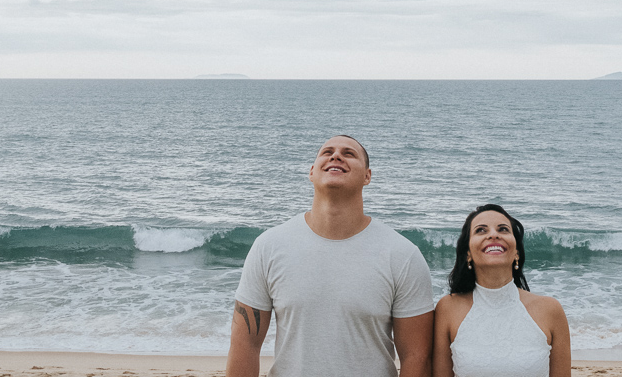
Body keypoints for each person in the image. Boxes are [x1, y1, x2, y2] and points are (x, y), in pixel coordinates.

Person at [225, 134, 435, 377]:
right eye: (327, 152)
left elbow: (416, 357)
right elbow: (245, 345)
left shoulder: (403, 255)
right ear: (312, 172)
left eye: (349, 154)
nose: (336, 156)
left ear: (367, 176)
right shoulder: (268, 246)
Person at [433, 204, 571, 377]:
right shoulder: (448, 308)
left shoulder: (550, 310)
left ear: (517, 252)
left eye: (503, 229)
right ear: (468, 253)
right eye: (481, 230)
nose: (493, 235)